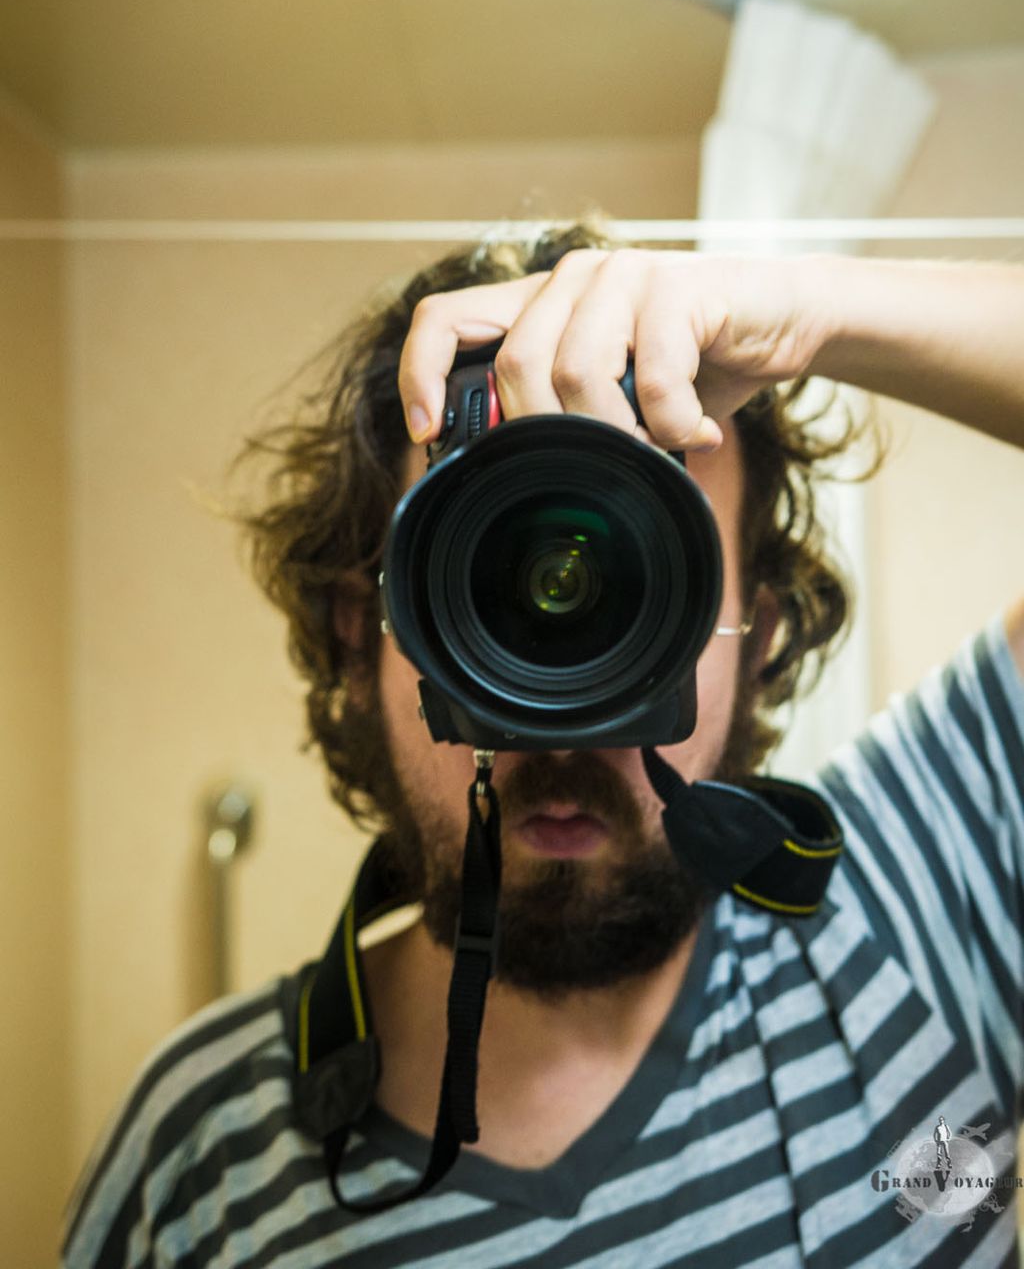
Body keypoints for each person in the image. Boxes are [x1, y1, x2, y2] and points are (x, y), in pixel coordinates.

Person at [63, 227, 1024, 1267]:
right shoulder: (199, 1155)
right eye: (489, 584)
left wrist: (809, 307)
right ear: (363, 634)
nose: (566, 721)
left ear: (762, 637)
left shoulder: (919, 902)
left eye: (648, 593)